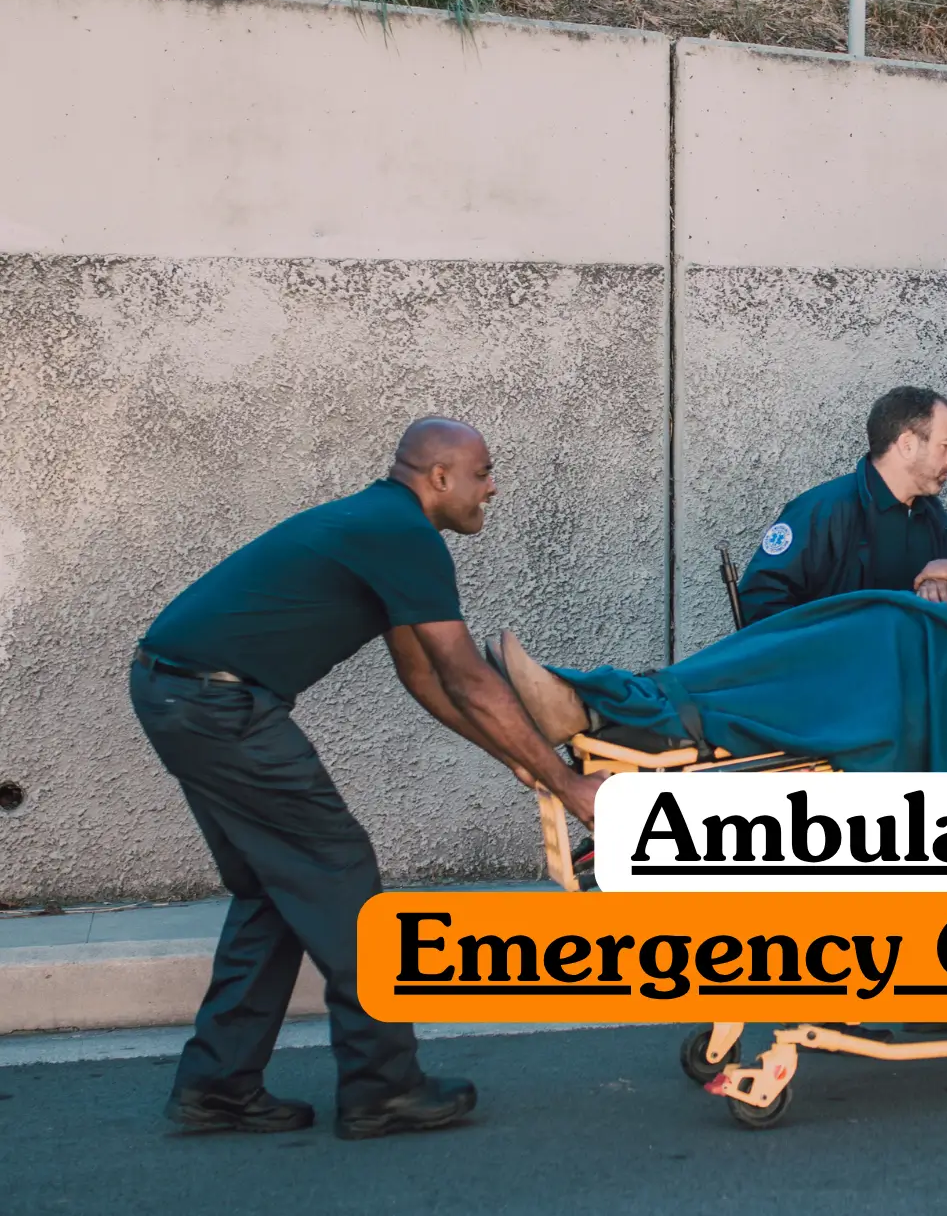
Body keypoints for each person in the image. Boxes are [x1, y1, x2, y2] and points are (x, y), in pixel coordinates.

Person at [129, 418, 600, 1140]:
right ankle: (383, 1087)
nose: (492, 486)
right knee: (339, 873)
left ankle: (217, 1085)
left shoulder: (381, 525)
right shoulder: (403, 533)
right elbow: (467, 675)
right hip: (220, 705)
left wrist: (521, 763)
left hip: (182, 694)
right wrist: (569, 787)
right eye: (483, 471)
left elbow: (424, 677)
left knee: (276, 887)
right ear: (438, 477)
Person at [491, 425, 947, 775]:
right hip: (932, 630)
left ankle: (599, 712)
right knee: (770, 655)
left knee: (787, 665)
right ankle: (592, 704)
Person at [734, 386, 947, 626]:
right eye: (945, 446)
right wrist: (833, 647)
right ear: (907, 445)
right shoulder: (821, 513)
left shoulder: (934, 517)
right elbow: (760, 601)